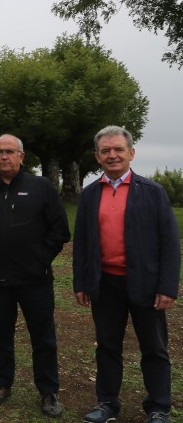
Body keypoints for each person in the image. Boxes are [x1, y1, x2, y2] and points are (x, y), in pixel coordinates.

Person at [73, 126, 180, 423]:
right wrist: (81, 282)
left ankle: (158, 407)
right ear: (98, 157)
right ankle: (107, 403)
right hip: (105, 283)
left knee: (155, 348)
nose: (113, 155)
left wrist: (168, 286)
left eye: (118, 149)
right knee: (107, 346)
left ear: (131, 153)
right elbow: (81, 241)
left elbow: (170, 243)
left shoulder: (153, 193)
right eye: (105, 150)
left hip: (146, 283)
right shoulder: (90, 195)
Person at [0, 134, 70, 418]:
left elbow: (59, 230)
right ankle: (1, 383)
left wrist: (40, 260)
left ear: (22, 156)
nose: (4, 156)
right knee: (0, 335)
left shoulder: (41, 187)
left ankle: (48, 391)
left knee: (43, 337)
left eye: (10, 151)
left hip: (35, 280)